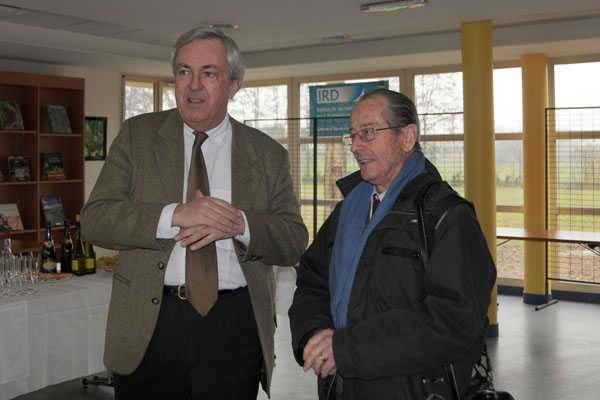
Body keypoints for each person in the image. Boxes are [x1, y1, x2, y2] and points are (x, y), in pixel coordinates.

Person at [81, 27, 308, 399]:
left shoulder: (268, 154)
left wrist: (240, 224)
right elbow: (95, 220)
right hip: (150, 324)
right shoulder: (138, 137)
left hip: (233, 328)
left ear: (234, 84)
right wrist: (174, 215)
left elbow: (294, 241)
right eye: (184, 72)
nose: (194, 85)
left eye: (209, 73)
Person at [289, 88, 496, 399]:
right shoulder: (347, 211)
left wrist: (347, 348)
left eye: (368, 133)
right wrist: (315, 334)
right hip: (341, 386)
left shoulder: (446, 215)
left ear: (407, 137)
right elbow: (312, 281)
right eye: (352, 135)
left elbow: (452, 320)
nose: (355, 146)